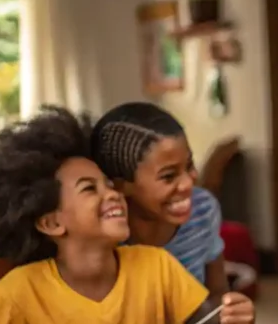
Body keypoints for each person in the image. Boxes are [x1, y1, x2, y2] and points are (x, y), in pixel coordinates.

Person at [0, 107, 256, 324]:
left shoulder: (155, 263)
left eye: (108, 184)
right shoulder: (19, 290)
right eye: (90, 188)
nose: (113, 194)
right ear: (51, 223)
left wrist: (234, 318)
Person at [90, 102, 232, 302]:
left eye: (189, 165)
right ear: (120, 185)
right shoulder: (104, 234)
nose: (187, 183)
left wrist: (231, 314)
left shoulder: (203, 209)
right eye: (168, 176)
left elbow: (217, 293)